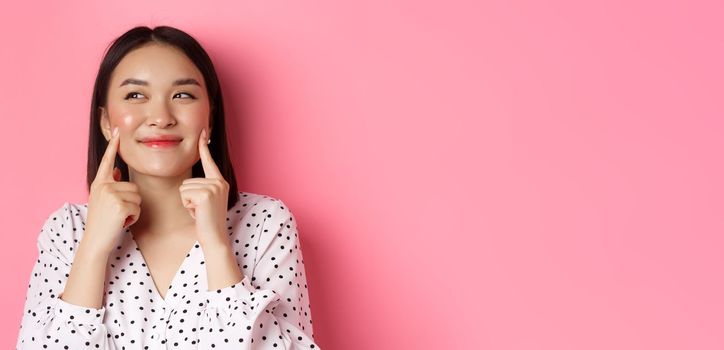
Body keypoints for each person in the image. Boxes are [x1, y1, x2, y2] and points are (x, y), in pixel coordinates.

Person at [15, 25, 320, 349]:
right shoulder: (68, 231)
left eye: (182, 95)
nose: (161, 117)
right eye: (135, 95)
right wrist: (92, 250)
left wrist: (217, 245)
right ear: (105, 121)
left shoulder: (264, 224)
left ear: (210, 118)